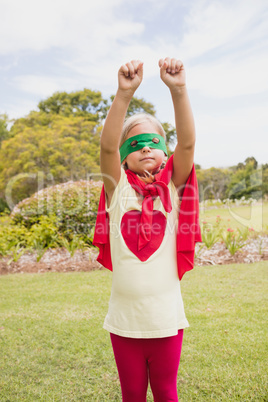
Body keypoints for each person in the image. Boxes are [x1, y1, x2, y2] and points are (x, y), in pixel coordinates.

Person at [93, 58, 201, 401]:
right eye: (136, 145)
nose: (145, 148)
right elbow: (107, 146)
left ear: (163, 152)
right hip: (124, 321)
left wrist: (179, 90)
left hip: (166, 318)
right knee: (132, 393)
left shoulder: (173, 187)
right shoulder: (118, 190)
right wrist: (124, 95)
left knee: (167, 391)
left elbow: (186, 145)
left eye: (153, 143)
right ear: (124, 159)